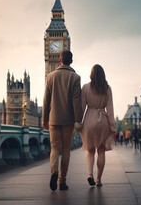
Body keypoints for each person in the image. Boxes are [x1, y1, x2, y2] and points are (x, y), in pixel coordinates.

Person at [42, 50, 83, 191]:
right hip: (68, 120)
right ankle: (62, 181)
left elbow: (46, 100)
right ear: (71, 61)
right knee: (66, 149)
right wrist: (79, 120)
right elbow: (76, 101)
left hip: (53, 118)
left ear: (60, 60)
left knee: (54, 148)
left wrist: (44, 119)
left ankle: (54, 171)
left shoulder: (50, 76)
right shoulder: (75, 78)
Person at [76, 64, 117, 187]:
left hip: (89, 120)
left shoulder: (86, 88)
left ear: (91, 74)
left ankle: (90, 174)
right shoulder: (107, 88)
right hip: (103, 121)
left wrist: (78, 122)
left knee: (90, 150)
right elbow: (110, 109)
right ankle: (99, 179)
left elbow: (82, 108)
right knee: (101, 151)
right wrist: (113, 126)